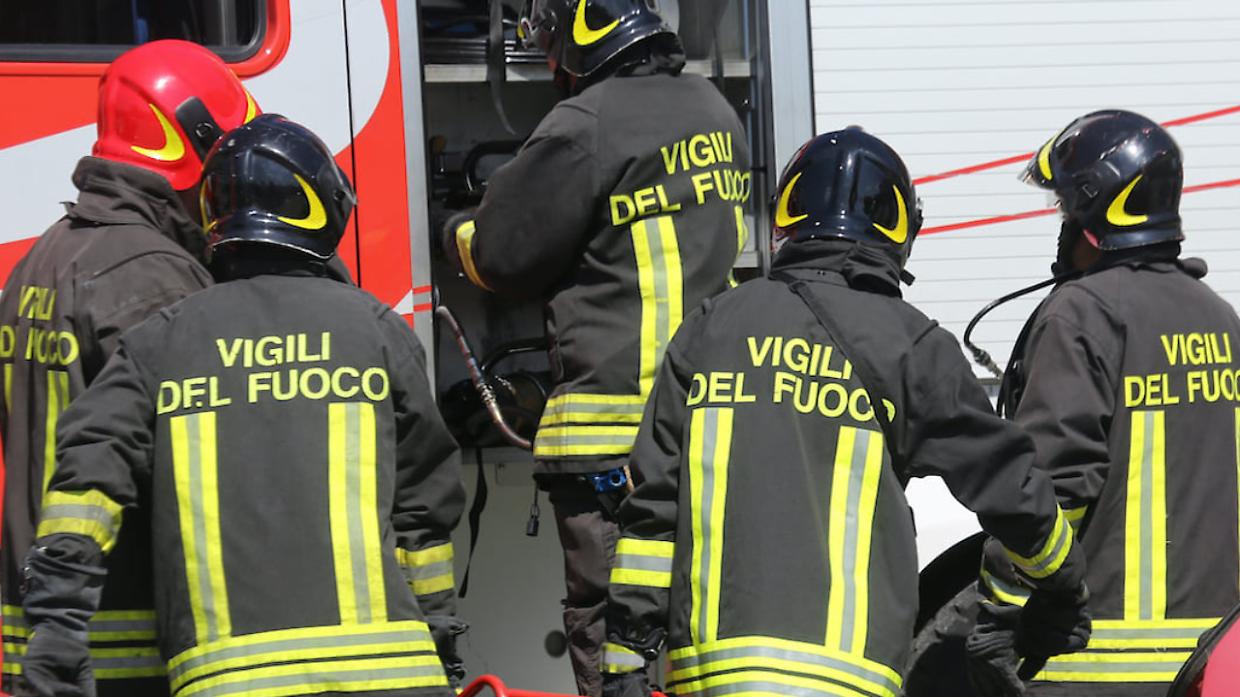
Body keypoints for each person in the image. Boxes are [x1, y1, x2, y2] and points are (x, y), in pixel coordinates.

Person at [600, 128, 1092, 697]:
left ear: (787, 213)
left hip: (712, 677)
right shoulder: (913, 346)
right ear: (899, 228)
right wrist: (1063, 584)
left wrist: (624, 661)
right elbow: (1011, 487)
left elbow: (652, 514)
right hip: (847, 679)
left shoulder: (711, 329)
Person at [19, 115, 467, 697]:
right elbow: (424, 511)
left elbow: (86, 480)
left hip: (226, 680)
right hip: (392, 674)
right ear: (323, 209)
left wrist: (57, 628)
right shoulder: (375, 329)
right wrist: (440, 634)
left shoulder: (160, 341)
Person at [442, 1, 751, 694]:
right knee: (700, 623)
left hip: (613, 446)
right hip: (709, 429)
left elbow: (501, 254)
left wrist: (454, 230)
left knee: (612, 632)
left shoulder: (587, 122)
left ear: (578, 35)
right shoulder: (715, 111)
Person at [0, 39, 258, 696]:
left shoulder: (45, 259)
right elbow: (199, 461)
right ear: (193, 144)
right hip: (126, 637)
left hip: (46, 632)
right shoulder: (154, 277)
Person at [968, 109, 1240, 697]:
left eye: (1066, 212)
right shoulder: (1220, 319)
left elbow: (1049, 488)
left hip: (1094, 662)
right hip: (1213, 664)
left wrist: (1001, 608)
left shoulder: (1083, 315)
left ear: (1096, 215)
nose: (1062, 231)